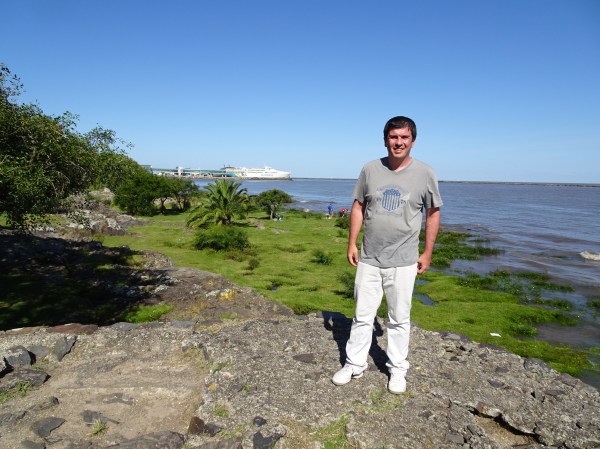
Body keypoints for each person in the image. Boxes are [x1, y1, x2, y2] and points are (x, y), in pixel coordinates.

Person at [331, 116, 442, 394]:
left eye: (404, 137)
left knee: (399, 319)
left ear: (412, 141)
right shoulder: (370, 169)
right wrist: (352, 243)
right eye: (394, 137)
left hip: (404, 261)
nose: (399, 142)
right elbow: (358, 207)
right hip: (369, 257)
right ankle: (354, 364)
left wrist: (428, 253)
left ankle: (397, 369)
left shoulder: (425, 173)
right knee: (362, 316)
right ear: (385, 140)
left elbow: (433, 213)